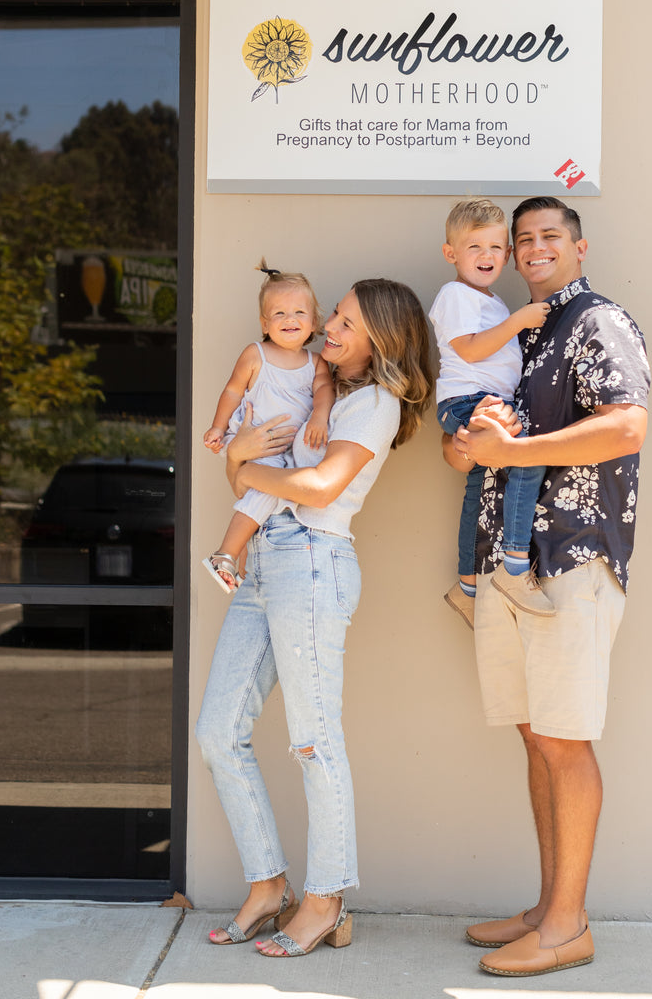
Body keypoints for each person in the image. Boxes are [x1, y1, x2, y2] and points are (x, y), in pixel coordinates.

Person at [196, 278, 433, 959]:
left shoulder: (377, 405)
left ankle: (325, 900)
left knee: (312, 741)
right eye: (334, 313)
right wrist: (243, 462)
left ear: (379, 340)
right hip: (265, 561)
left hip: (313, 562)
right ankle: (269, 884)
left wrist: (243, 459)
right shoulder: (310, 390)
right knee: (218, 732)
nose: (328, 325)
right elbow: (253, 488)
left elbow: (316, 487)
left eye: (346, 321)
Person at [444, 196, 650, 978]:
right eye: (522, 238)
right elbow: (470, 452)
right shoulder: (521, 332)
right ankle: (545, 908)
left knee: (565, 740)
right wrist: (470, 449)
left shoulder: (597, 322)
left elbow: (627, 426)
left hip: (571, 559)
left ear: (578, 246)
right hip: (509, 562)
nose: (532, 248)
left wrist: (518, 455)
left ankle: (569, 926)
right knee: (537, 736)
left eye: (548, 237)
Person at [429, 198, 552, 626]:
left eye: (496, 248)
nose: (487, 256)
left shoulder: (489, 299)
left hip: (478, 399)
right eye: (475, 247)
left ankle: (466, 586)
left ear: (509, 255)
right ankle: (516, 568)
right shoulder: (457, 294)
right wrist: (520, 321)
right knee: (527, 457)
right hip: (467, 400)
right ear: (451, 254)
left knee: (479, 491)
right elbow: (471, 348)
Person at [201, 261, 335, 592]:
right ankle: (225, 553)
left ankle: (241, 561)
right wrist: (218, 427)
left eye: (299, 313)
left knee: (273, 497)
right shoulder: (255, 354)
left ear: (313, 322)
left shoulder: (315, 363)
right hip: (253, 438)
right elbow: (232, 390)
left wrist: (319, 416)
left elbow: (324, 392)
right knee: (265, 492)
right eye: (279, 314)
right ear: (265, 323)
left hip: (282, 449)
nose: (290, 320)